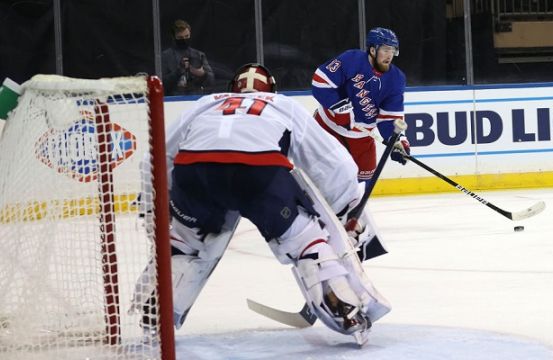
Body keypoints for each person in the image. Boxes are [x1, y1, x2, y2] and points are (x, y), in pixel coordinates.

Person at [131, 64, 393, 345]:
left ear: (232, 88)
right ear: (272, 89)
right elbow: (331, 162)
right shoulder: (282, 104)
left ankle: (155, 307)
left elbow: (155, 158)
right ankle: (345, 311)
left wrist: (151, 207)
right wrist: (348, 208)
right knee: (306, 240)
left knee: (185, 241)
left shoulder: (206, 103)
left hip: (194, 171)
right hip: (257, 172)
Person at [312, 27, 410, 182]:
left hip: (362, 138)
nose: (390, 55)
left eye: (393, 51)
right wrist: (340, 109)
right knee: (320, 180)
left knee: (363, 187)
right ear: (372, 50)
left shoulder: (396, 79)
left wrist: (397, 141)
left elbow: (389, 117)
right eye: (385, 50)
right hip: (327, 128)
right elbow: (320, 81)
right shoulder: (352, 59)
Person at [161, 19, 215, 96]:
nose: (184, 39)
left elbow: (211, 80)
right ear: (173, 37)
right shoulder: (165, 56)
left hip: (196, 97)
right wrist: (178, 71)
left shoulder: (199, 55)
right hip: (174, 98)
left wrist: (202, 74)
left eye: (187, 36)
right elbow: (161, 83)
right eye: (180, 38)